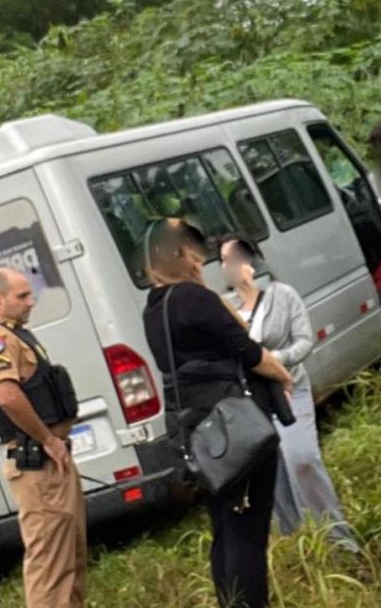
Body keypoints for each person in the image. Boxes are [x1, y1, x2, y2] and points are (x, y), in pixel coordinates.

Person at [140, 219, 293, 608]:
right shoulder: (195, 298)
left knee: (225, 527)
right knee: (248, 533)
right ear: (180, 255)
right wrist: (282, 374)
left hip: (200, 432)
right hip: (235, 427)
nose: (201, 262)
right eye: (195, 255)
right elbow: (247, 348)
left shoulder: (154, 308)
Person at [219, 236, 359, 551]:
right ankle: (298, 543)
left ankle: (339, 540)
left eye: (235, 257)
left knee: (302, 459)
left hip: (289, 387)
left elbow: (304, 341)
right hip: (252, 401)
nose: (229, 265)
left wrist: (274, 361)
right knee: (274, 475)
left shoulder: (282, 295)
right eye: (224, 260)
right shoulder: (226, 308)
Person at [0, 268, 86, 608]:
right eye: (22, 296)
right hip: (38, 462)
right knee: (51, 567)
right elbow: (7, 395)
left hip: (51, 461)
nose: (31, 302)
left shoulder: (14, 334)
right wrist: (47, 439)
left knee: (70, 559)